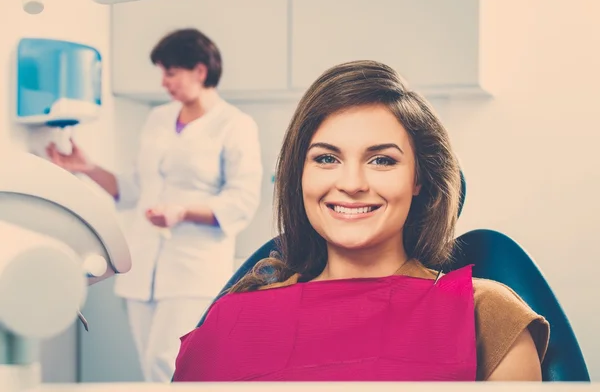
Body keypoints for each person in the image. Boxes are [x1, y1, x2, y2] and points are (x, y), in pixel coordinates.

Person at [171, 60, 550, 382]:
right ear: (298, 176)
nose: (351, 184)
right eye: (326, 159)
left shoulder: (486, 315)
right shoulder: (234, 320)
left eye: (382, 160)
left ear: (418, 179)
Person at [46, 28, 263, 382]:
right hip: (144, 266)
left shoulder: (235, 125)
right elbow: (135, 189)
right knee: (150, 367)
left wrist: (182, 211)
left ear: (200, 71)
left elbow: (241, 200)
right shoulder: (158, 119)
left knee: (170, 362)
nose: (163, 82)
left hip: (192, 268)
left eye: (170, 72)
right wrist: (87, 168)